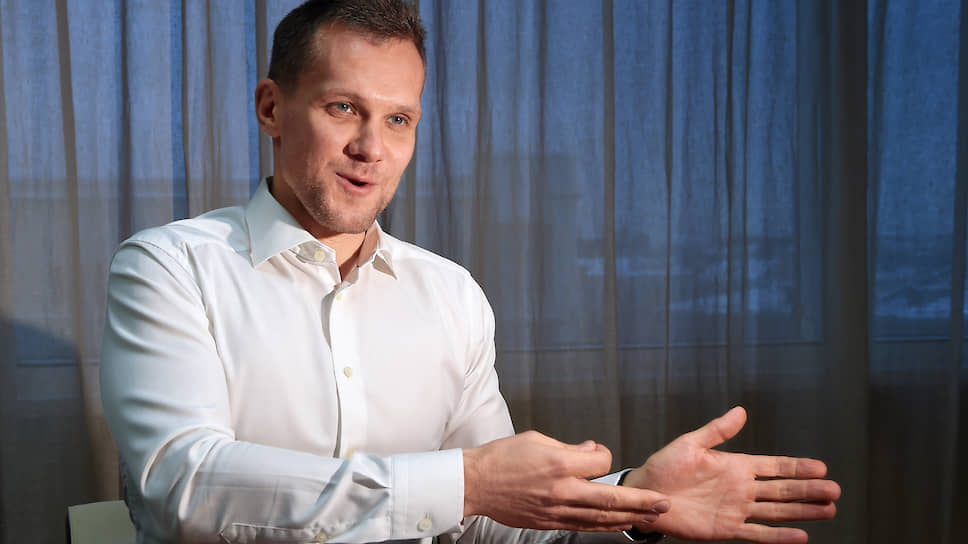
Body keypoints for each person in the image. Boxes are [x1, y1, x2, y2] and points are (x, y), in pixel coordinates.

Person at [100, 1, 841, 543]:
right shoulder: (169, 268)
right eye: (343, 108)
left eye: (398, 120)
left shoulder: (450, 295)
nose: (371, 148)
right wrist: (467, 480)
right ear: (272, 108)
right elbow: (182, 486)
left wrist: (635, 501)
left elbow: (489, 523)